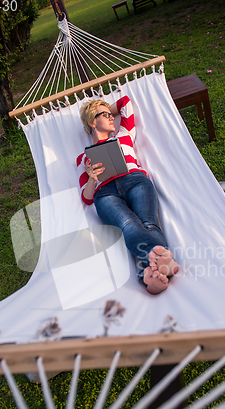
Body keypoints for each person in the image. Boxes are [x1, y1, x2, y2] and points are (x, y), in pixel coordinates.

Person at [76, 95, 178, 294]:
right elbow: (86, 198)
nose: (110, 117)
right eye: (104, 115)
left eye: (110, 114)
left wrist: (103, 108)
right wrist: (91, 178)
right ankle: (163, 262)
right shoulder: (83, 157)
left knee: (148, 224)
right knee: (128, 224)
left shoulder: (123, 135)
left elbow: (124, 102)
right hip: (105, 193)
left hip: (134, 180)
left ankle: (148, 274)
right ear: (92, 122)